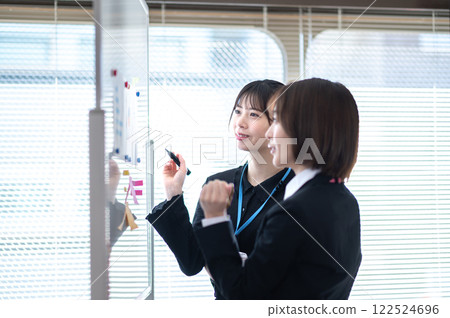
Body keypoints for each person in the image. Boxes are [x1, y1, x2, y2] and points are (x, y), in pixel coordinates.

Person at [194, 78, 362, 299]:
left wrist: (215, 219)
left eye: (276, 121)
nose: (270, 133)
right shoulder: (344, 200)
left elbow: (242, 296)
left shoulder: (293, 213)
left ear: (306, 130)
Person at [146, 80, 295, 299]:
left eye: (253, 114)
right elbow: (192, 262)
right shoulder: (217, 183)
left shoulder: (298, 190)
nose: (240, 122)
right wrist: (173, 193)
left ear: (279, 124)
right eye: (237, 111)